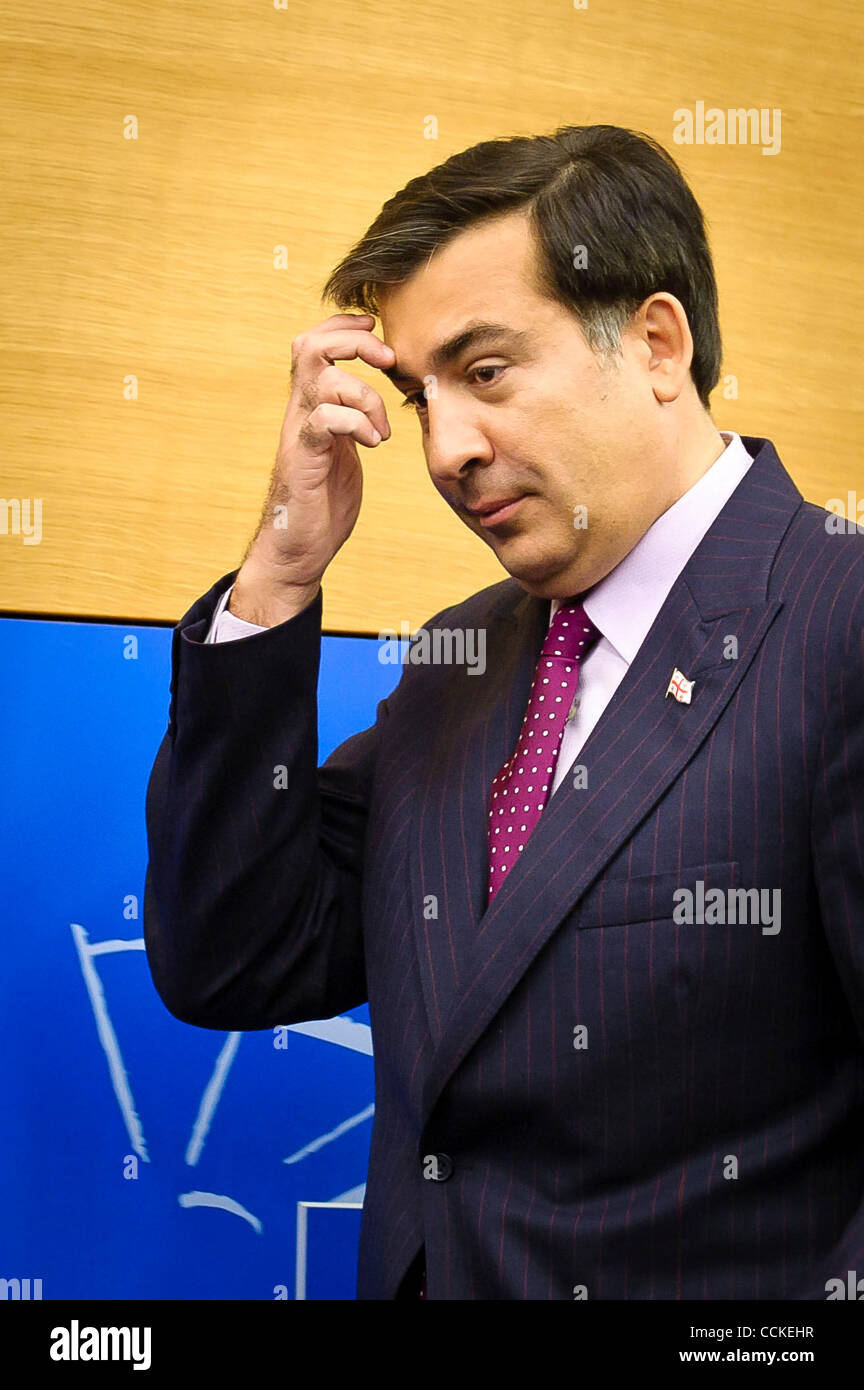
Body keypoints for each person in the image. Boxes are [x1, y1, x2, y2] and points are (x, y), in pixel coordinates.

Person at [143, 124, 864, 1300]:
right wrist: (279, 571)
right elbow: (232, 954)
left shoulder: (842, 621)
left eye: (484, 374)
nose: (445, 448)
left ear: (656, 343)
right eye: (419, 395)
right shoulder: (457, 662)